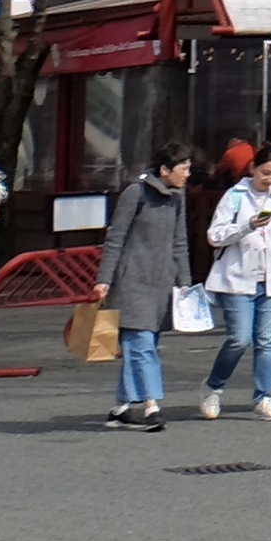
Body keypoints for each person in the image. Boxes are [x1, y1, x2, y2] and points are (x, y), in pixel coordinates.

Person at [94, 137, 198, 429]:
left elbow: (180, 241)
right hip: (131, 282)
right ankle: (152, 406)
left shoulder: (177, 197)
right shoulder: (135, 193)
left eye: (189, 168)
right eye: (183, 168)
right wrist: (104, 279)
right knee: (141, 345)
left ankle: (121, 408)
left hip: (161, 283)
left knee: (143, 344)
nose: (187, 174)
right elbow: (115, 238)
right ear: (165, 169)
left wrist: (184, 281)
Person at [197, 140, 271, 420]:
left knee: (266, 342)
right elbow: (215, 235)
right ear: (253, 168)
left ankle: (263, 396)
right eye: (265, 172)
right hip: (237, 279)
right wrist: (247, 226)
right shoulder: (235, 195)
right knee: (239, 339)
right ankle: (213, 387)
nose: (269, 179)